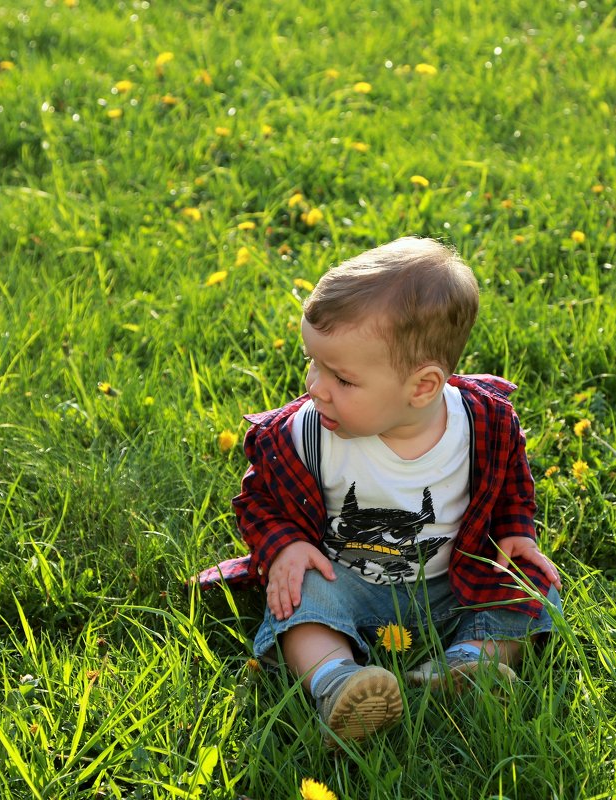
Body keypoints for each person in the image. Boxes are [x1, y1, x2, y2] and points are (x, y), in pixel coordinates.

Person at [197, 236, 562, 745]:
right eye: (314, 362)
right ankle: (338, 683)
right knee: (296, 595)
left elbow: (510, 488)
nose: (316, 387)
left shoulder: (484, 425)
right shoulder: (304, 433)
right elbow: (260, 501)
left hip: (453, 583)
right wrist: (287, 546)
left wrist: (517, 533)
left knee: (531, 585)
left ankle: (466, 665)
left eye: (342, 378)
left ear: (422, 387)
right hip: (346, 581)